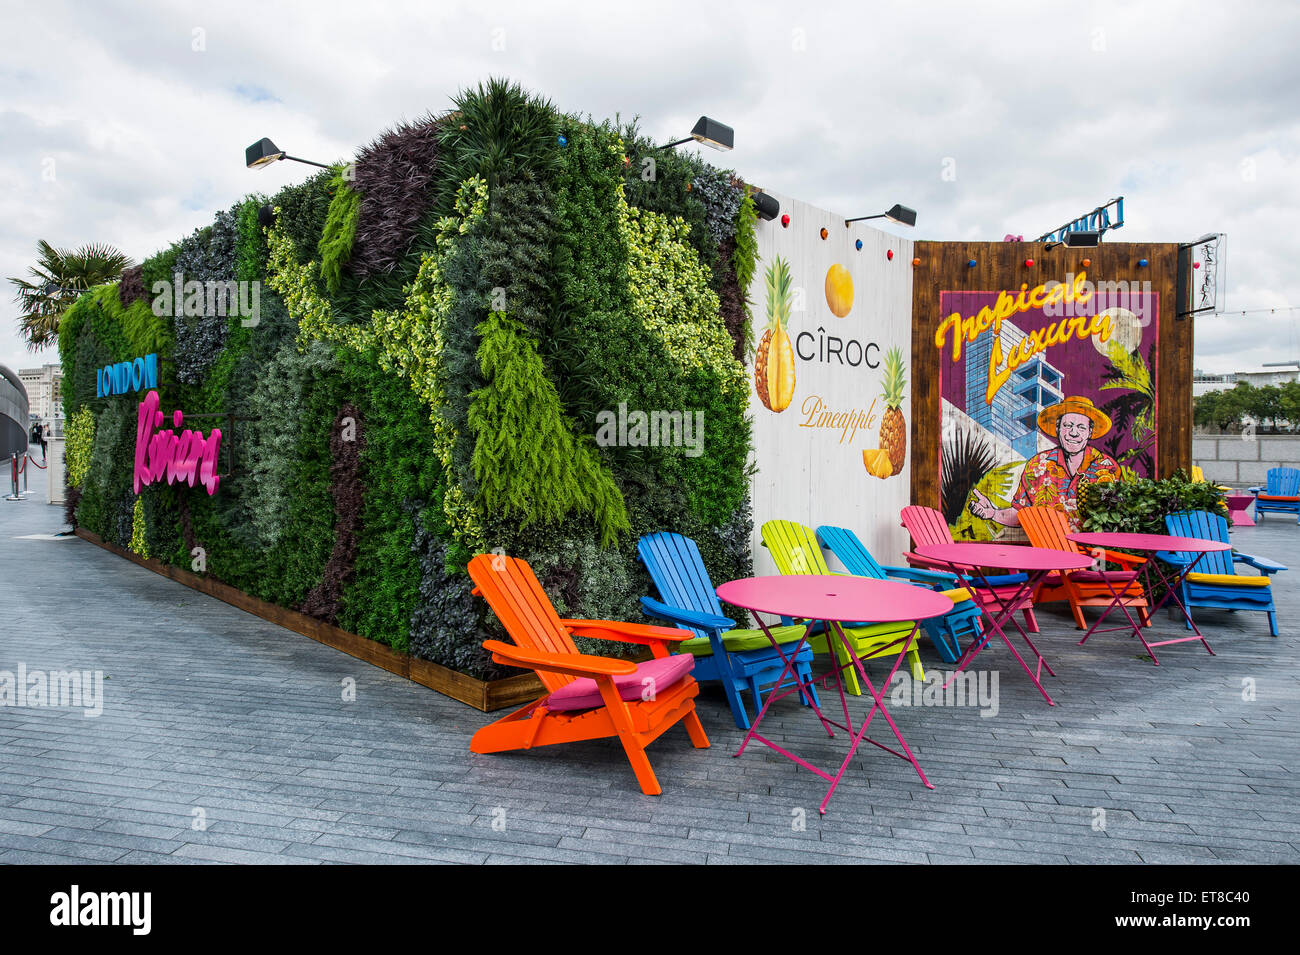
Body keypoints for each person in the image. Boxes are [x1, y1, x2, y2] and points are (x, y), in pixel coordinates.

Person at [969, 395, 1120, 532]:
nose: (1074, 433)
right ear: (1058, 429)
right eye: (1068, 426)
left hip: (1093, 554)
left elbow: (1119, 517)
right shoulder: (1037, 465)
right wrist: (993, 513)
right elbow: (1021, 514)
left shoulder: (1106, 467)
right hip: (1048, 553)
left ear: (1090, 432)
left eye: (1081, 427)